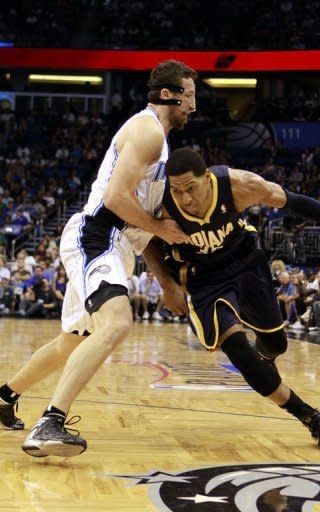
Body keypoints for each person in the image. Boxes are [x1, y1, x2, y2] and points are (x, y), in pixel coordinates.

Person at [0, 60, 197, 457]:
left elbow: (144, 230)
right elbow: (115, 200)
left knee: (71, 342)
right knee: (118, 323)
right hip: (99, 237)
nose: (193, 106)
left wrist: (165, 281)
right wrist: (162, 229)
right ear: (168, 95)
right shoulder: (147, 132)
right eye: (190, 96)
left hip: (119, 245)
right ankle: (51, 422)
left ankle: (4, 398)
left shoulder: (160, 141)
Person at [143, 148, 320, 451]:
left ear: (206, 178)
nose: (186, 198)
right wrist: (166, 283)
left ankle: (265, 359)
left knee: (275, 344)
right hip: (204, 280)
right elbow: (146, 242)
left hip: (246, 263)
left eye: (190, 188)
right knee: (239, 351)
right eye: (177, 191)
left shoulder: (238, 185)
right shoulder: (162, 204)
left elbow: (295, 202)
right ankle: (311, 417)